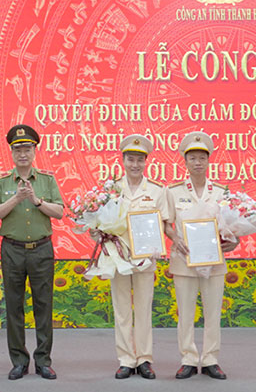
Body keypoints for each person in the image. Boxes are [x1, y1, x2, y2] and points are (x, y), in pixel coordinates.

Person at [0, 124, 64, 380]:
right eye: (18, 149)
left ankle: (43, 361)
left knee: (44, 306)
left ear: (34, 151)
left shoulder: (47, 180)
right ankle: (19, 361)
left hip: (41, 250)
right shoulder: (1, 182)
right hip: (13, 250)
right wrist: (16, 199)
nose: (22, 154)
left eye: (27, 149)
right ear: (11, 152)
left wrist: (36, 201)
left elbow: (59, 212)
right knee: (14, 307)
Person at [165, 131, 240, 380]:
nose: (197, 162)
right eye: (192, 158)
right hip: (183, 260)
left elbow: (232, 225)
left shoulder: (220, 192)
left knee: (213, 313)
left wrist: (234, 240)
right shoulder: (173, 192)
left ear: (208, 161)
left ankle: (210, 359)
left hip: (213, 261)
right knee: (185, 314)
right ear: (185, 162)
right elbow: (166, 223)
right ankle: (187, 358)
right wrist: (174, 238)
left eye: (202, 158)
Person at [100, 134, 172, 380]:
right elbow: (100, 222)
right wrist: (98, 233)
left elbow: (164, 223)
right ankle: (126, 360)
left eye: (140, 160)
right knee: (121, 310)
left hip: (146, 258)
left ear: (146, 162)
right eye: (131, 159)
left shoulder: (157, 191)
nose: (135, 165)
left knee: (143, 310)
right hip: (118, 257)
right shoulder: (111, 190)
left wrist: (160, 246)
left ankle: (144, 359)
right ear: (123, 161)